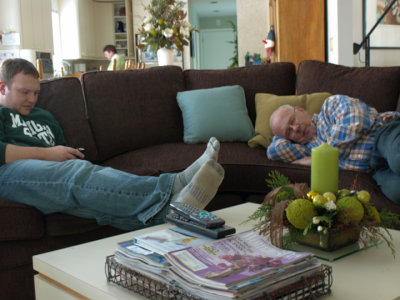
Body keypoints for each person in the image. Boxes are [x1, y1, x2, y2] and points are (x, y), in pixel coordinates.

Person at [0, 58, 225, 230]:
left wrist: (67, 154)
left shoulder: (45, 116)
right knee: (75, 174)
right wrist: (49, 155)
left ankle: (168, 214)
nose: (32, 99)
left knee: (92, 202)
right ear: (3, 88)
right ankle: (172, 186)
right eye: (24, 92)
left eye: (36, 93)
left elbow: (61, 155)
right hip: (9, 174)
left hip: (47, 179)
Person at [267, 94, 400, 203]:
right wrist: (280, 133)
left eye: (292, 120)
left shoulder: (329, 107)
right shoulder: (307, 149)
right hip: (376, 169)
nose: (295, 128)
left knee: (397, 159)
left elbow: (356, 120)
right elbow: (273, 152)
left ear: (301, 110)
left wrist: (322, 157)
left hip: (384, 133)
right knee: (396, 191)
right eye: (289, 132)